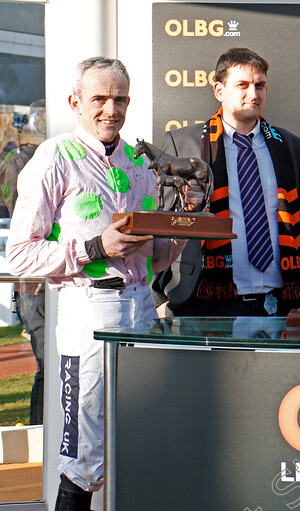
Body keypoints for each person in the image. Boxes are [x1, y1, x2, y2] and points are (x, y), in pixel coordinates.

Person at [6, 57, 200, 511]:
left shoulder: (138, 162)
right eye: (99, 99)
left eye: (120, 99)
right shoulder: (54, 157)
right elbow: (19, 256)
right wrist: (95, 248)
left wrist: (182, 222)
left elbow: (156, 256)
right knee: (85, 455)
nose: (111, 109)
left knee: (137, 441)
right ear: (75, 102)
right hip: (87, 314)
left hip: (140, 311)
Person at [152, 47, 300, 317]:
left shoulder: (292, 147)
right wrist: (159, 296)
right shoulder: (181, 144)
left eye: (260, 85)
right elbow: (164, 223)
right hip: (201, 299)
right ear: (219, 90)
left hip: (279, 302)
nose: (253, 94)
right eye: (242, 85)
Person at [0, 99, 45, 425]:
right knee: (46, 365)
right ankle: (40, 432)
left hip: (53, 277)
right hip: (35, 280)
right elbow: (21, 213)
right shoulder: (19, 163)